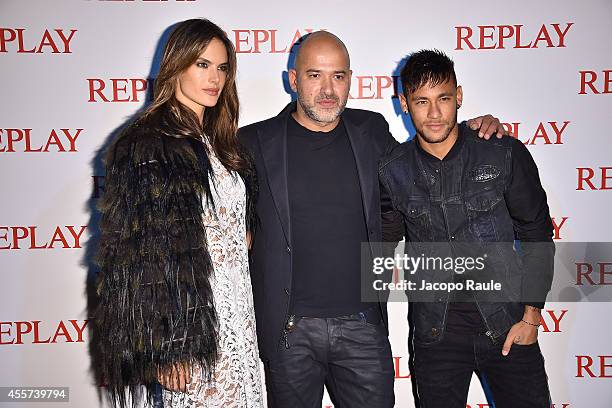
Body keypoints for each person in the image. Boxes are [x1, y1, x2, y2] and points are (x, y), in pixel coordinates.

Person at [238, 32, 507, 408]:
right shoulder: (251, 142)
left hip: (362, 325)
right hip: (288, 330)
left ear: (351, 79)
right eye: (315, 75)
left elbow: (426, 164)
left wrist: (470, 134)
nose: (328, 89)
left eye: (339, 76)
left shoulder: (372, 131)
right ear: (294, 80)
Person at [94, 19, 263, 408]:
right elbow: (136, 257)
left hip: (237, 312)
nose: (214, 78)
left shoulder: (220, 142)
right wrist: (166, 344)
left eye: (222, 68)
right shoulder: (147, 144)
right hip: (191, 323)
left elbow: (235, 226)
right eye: (202, 65)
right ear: (177, 65)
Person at [378, 49, 555, 407]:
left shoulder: (502, 153)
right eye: (421, 101)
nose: (433, 113)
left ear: (458, 96)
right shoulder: (393, 170)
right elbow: (381, 245)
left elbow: (537, 233)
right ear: (403, 103)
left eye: (443, 98)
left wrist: (532, 317)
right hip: (436, 337)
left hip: (508, 327)